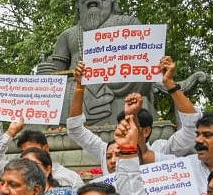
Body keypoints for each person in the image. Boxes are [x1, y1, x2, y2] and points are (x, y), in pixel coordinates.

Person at [67, 57, 200, 174]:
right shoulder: (108, 150)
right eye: (122, 128)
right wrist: (80, 86)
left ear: (146, 131)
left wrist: (169, 83)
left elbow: (193, 128)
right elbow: (75, 129)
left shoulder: (161, 150)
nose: (123, 133)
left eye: (131, 126)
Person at [0, 118, 84, 187]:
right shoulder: (16, 174)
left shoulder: (70, 178)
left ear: (46, 149)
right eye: (24, 153)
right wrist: (10, 133)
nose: (29, 157)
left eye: (33, 150)